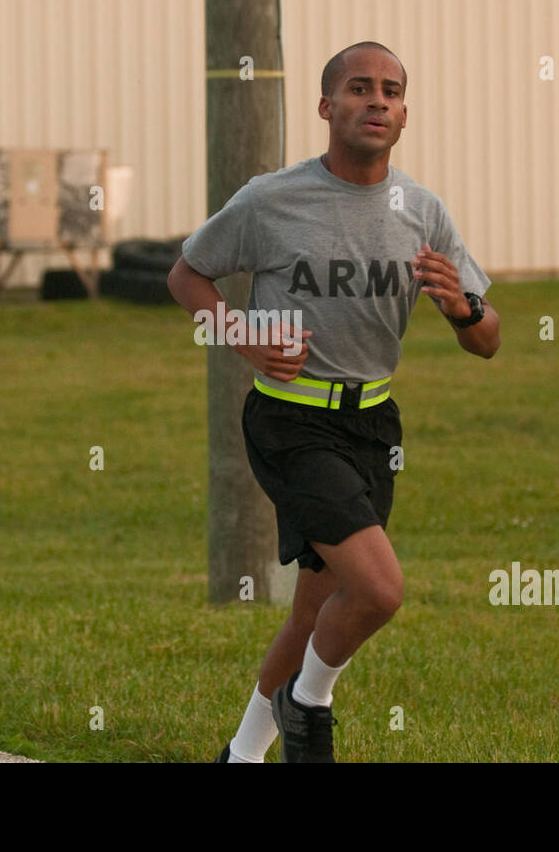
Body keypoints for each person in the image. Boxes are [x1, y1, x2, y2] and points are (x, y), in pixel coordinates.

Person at [168, 41, 500, 762]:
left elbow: (489, 339)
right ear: (326, 106)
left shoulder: (424, 211)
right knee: (379, 589)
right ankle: (308, 706)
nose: (376, 100)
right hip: (290, 416)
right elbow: (187, 273)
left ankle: (242, 754)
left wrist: (463, 310)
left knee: (317, 605)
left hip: (373, 422)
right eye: (359, 87)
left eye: (390, 90)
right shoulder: (271, 198)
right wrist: (239, 332)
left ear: (404, 113)